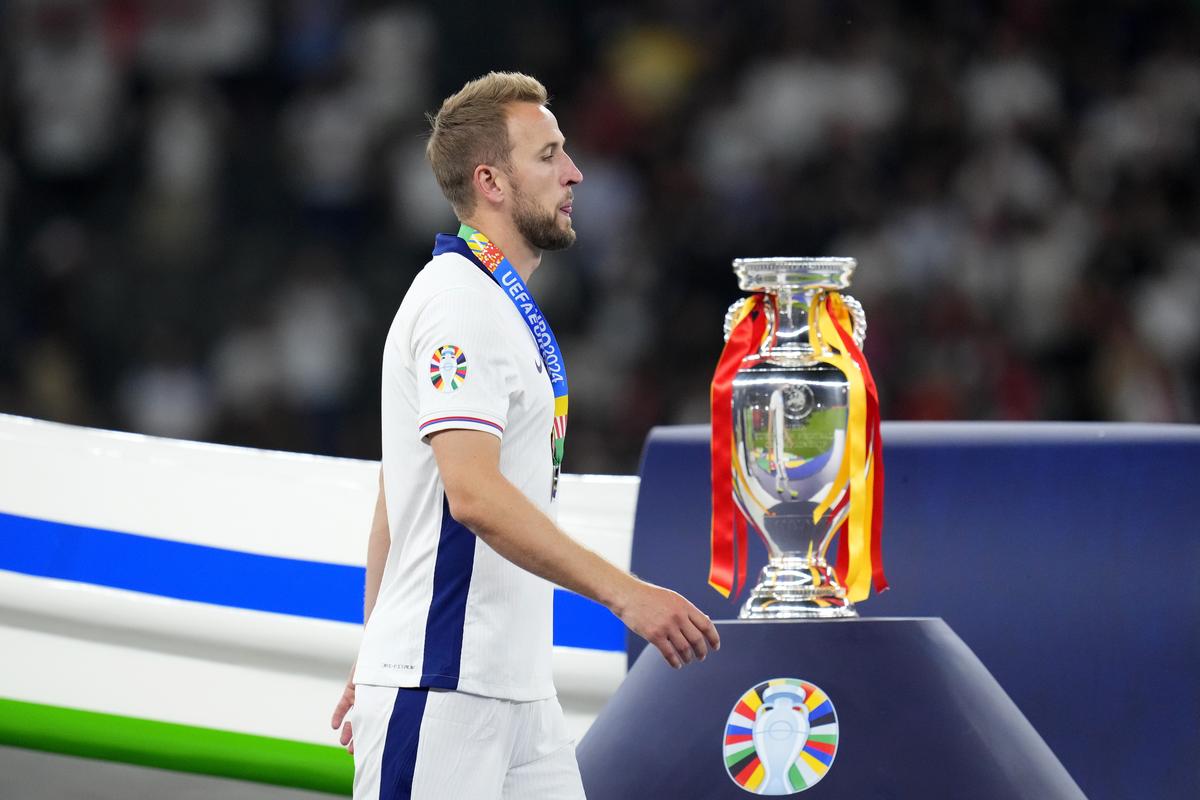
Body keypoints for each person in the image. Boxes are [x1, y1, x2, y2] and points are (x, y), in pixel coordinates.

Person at [330, 71, 720, 799]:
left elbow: (398, 490)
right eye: (547, 156)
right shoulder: (459, 304)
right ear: (492, 182)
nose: (574, 173)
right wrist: (626, 595)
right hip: (443, 683)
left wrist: (371, 645)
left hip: (512, 687)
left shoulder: (495, 305)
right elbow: (471, 496)